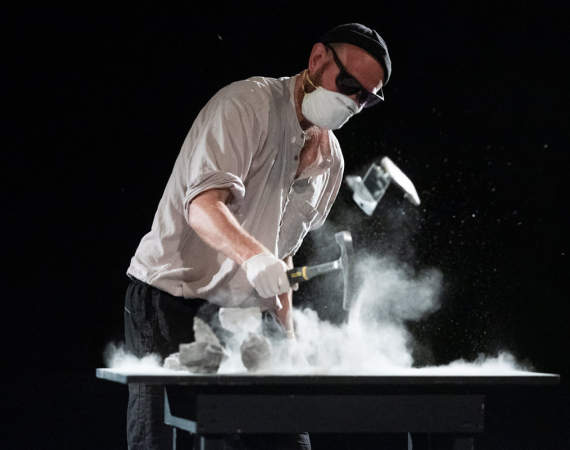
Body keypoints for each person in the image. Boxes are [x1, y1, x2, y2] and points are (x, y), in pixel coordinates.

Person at [124, 22, 391, 450]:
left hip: (249, 310)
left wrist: (290, 339)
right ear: (317, 59)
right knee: (168, 439)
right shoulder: (246, 106)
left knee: (287, 438)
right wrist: (254, 258)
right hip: (171, 298)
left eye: (365, 97)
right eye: (347, 83)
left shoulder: (331, 163)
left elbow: (282, 257)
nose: (352, 101)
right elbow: (203, 206)